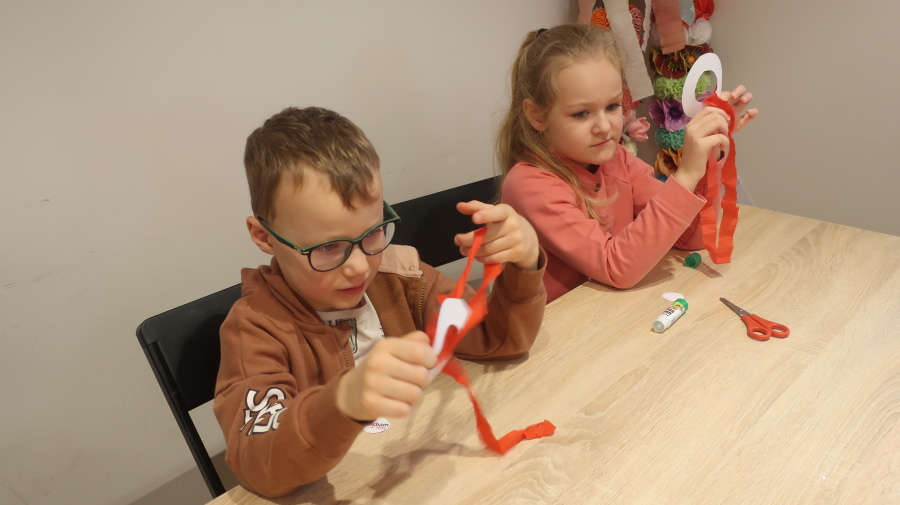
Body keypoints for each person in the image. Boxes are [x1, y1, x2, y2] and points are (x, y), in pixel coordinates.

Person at [213, 106, 547, 497]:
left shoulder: (401, 277)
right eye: (328, 247)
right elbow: (260, 463)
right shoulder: (255, 329)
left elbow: (499, 340)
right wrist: (342, 402)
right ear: (264, 237)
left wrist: (524, 263)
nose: (359, 266)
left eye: (372, 233)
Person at [497, 24, 757, 302]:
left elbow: (691, 238)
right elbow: (617, 268)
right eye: (581, 113)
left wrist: (708, 157)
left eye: (612, 106)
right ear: (537, 116)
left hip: (610, 313)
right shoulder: (530, 185)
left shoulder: (616, 158)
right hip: (557, 327)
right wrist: (687, 174)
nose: (604, 127)